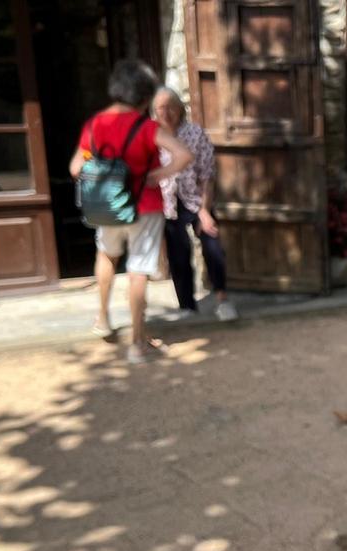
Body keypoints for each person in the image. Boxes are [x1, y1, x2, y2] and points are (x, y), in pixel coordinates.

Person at [70, 60, 192, 364]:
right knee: (138, 270)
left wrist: (103, 174)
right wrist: (157, 174)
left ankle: (102, 318)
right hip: (145, 206)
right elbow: (184, 155)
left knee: (106, 256)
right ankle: (137, 344)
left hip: (107, 207)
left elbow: (76, 168)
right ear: (144, 94)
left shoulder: (95, 125)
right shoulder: (147, 127)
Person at [152, 87, 237, 321]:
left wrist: (205, 211)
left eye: (171, 106)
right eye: (161, 108)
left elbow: (207, 175)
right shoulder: (153, 135)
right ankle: (187, 307)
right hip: (167, 203)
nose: (166, 112)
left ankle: (222, 299)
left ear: (180, 109)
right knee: (178, 255)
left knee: (213, 246)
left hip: (196, 199)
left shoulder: (195, 133)